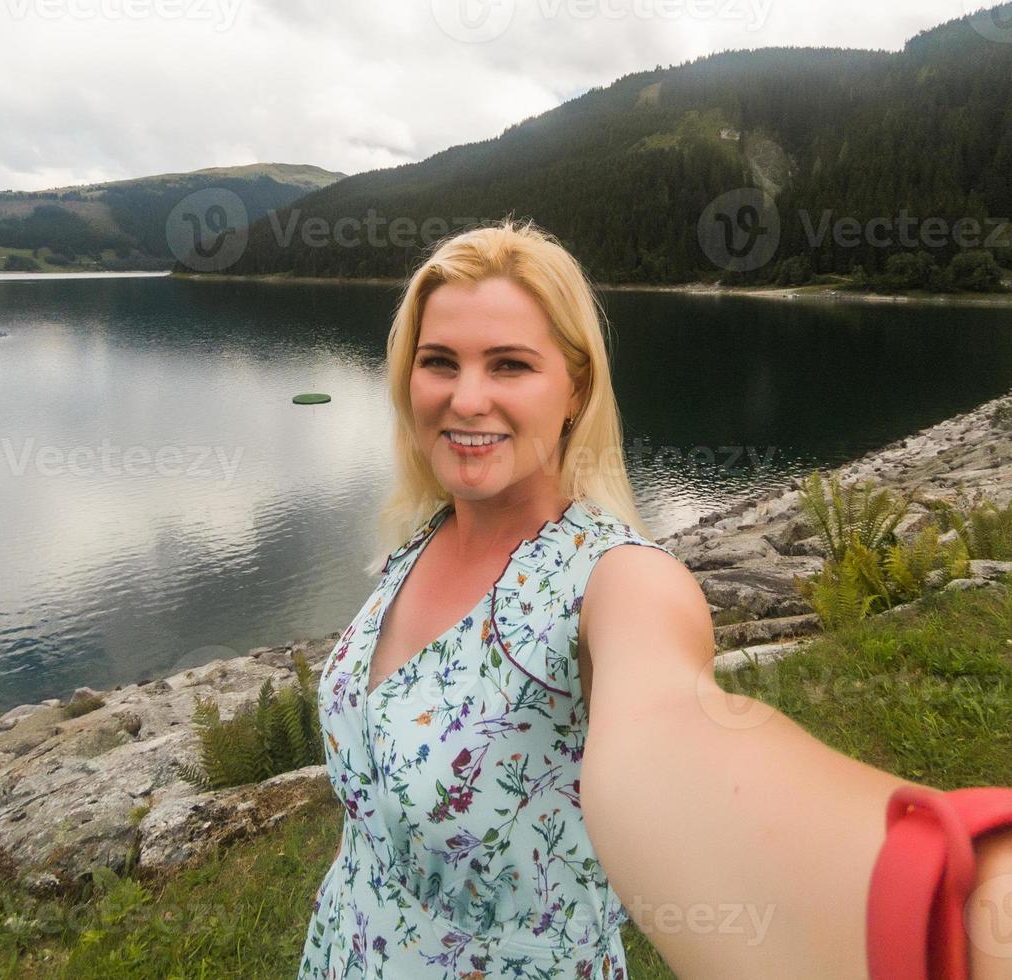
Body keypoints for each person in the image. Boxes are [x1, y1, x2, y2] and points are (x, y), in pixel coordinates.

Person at [297, 218, 1012, 979]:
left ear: (574, 386)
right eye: (439, 362)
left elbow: (672, 739)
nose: (466, 398)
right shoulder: (416, 540)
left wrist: (950, 900)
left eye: (509, 365)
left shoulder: (616, 581)